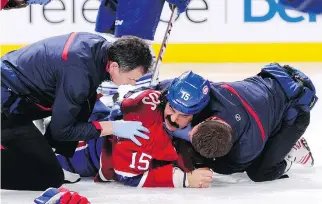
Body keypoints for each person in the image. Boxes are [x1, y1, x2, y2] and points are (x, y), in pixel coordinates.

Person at [1, 32, 153, 190]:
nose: (132, 84)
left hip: (15, 94)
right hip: (6, 107)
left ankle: (56, 156)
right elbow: (62, 131)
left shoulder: (99, 48)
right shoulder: (79, 76)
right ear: (114, 66)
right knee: (49, 177)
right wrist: (113, 127)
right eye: (131, 79)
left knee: (86, 100)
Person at [57, 71, 215, 188]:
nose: (173, 119)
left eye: (183, 115)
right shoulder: (144, 132)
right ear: (167, 99)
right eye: (172, 109)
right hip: (80, 154)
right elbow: (128, 176)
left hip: (97, 122)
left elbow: (126, 102)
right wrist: (185, 179)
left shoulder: (152, 95)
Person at [175, 63, 318, 182]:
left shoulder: (245, 151)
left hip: (295, 113)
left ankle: (293, 152)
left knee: (260, 172)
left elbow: (218, 166)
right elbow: (187, 87)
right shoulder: (212, 95)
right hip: (275, 81)